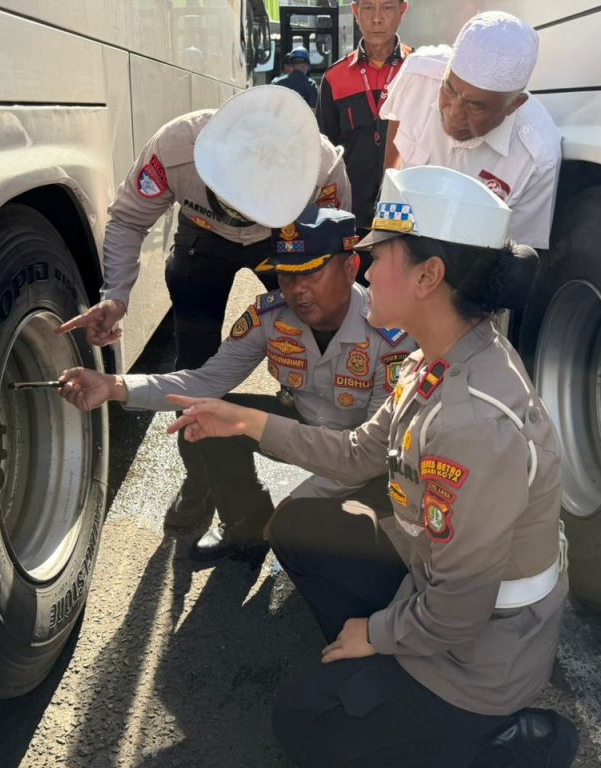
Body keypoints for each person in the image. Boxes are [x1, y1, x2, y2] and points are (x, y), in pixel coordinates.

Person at [165, 166, 578, 767]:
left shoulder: (470, 424)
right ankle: (383, 680)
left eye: (379, 256)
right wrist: (247, 421)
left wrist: (378, 634)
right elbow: (359, 451)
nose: (365, 269)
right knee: (298, 528)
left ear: (428, 276)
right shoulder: (440, 357)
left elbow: (460, 609)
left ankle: (508, 742)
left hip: (480, 658)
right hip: (441, 597)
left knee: (303, 725)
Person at [56, 86, 352, 530]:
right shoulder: (174, 148)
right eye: (233, 207)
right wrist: (115, 294)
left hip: (284, 242)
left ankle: (332, 455)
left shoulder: (323, 169)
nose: (241, 222)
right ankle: (201, 477)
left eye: (253, 210)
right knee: (194, 360)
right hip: (202, 241)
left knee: (316, 340)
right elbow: (129, 218)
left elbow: (333, 256)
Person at [57, 206, 414, 561]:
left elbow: (371, 455)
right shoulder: (270, 316)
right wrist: (114, 385)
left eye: (311, 272)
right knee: (207, 416)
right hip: (301, 427)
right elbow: (204, 382)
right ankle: (246, 526)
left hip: (363, 455)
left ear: (350, 267)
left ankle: (308, 534)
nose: (297, 289)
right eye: (286, 275)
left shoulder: (392, 335)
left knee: (333, 547)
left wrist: (295, 504)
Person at [381, 11, 561, 250]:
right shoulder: (418, 74)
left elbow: (520, 252)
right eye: (449, 89)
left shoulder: (537, 158)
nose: (454, 112)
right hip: (402, 235)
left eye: (475, 106)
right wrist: (385, 221)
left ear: (514, 105)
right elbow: (395, 139)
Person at [316, 0, 412, 274]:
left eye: (387, 8)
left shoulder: (418, 70)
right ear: (356, 13)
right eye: (368, 8)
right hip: (352, 217)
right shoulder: (334, 77)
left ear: (402, 11)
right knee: (354, 292)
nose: (377, 18)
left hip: (408, 218)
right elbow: (323, 152)